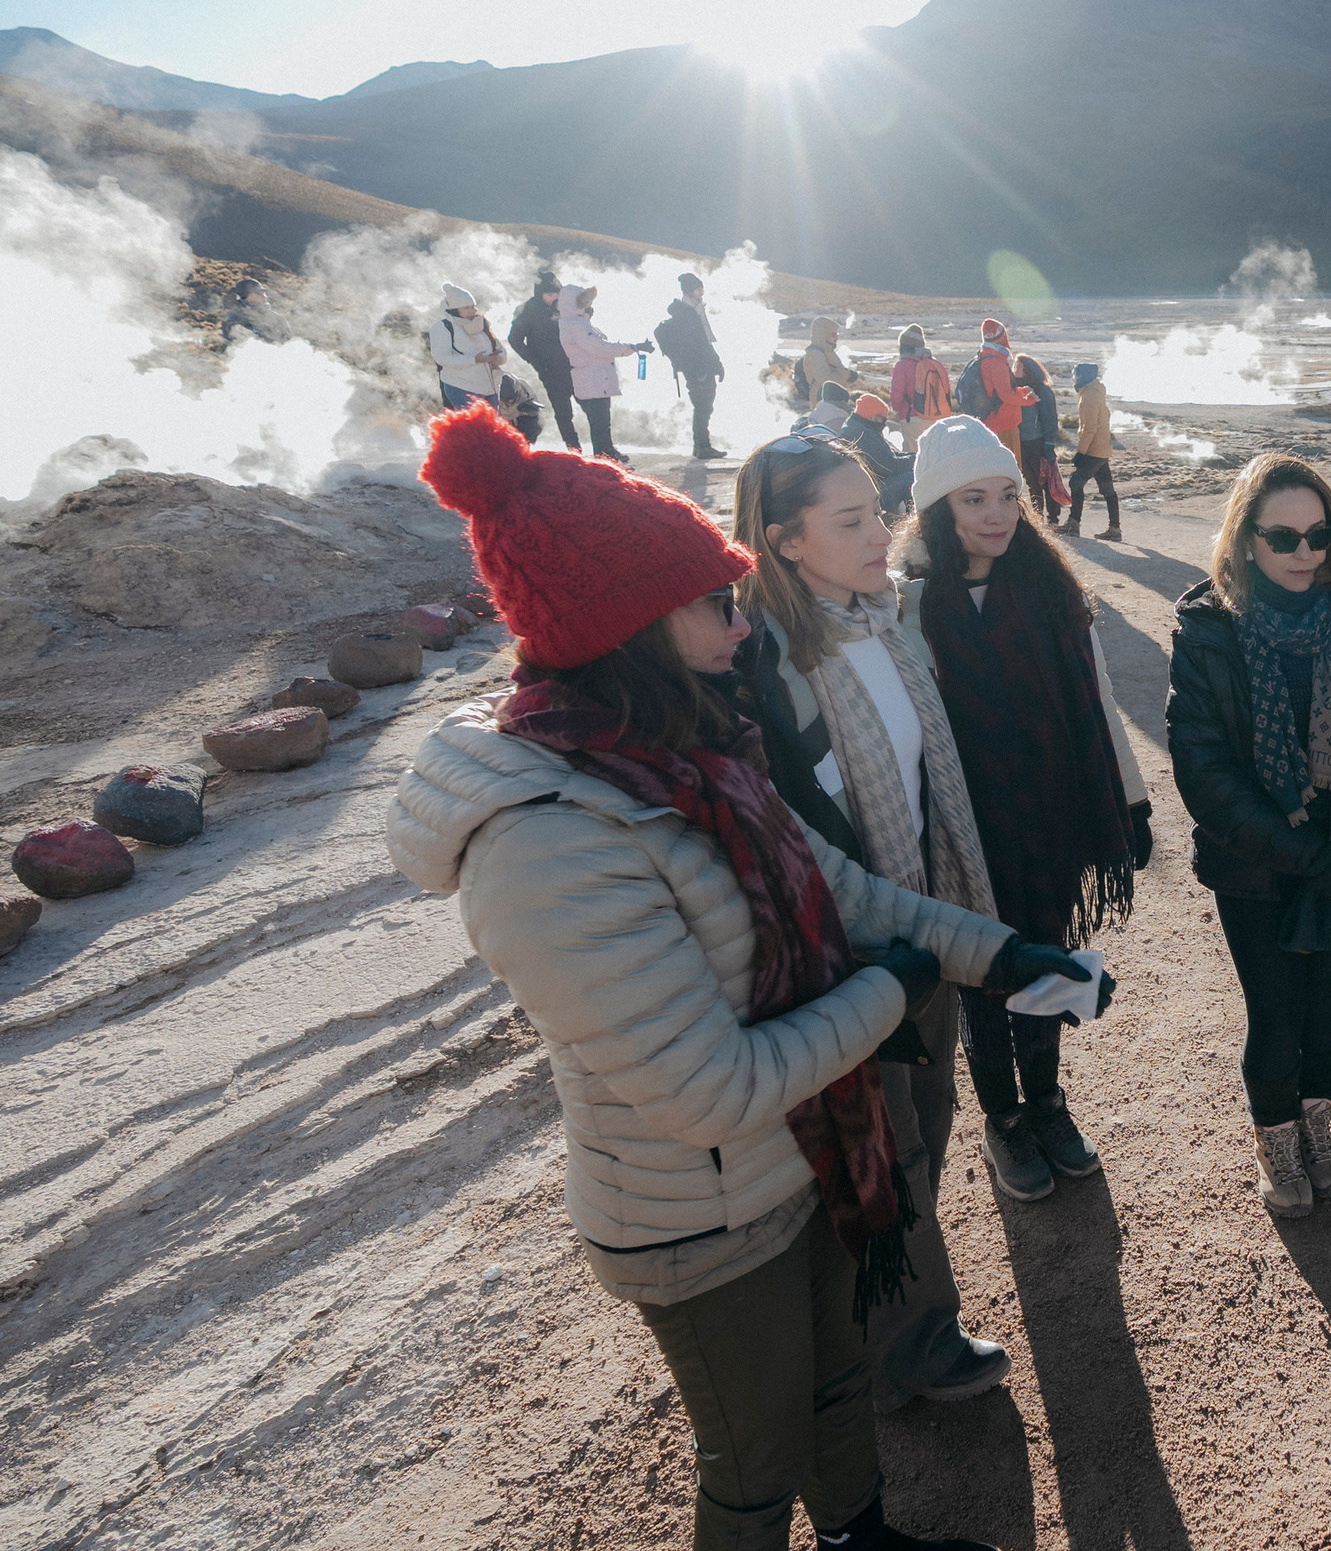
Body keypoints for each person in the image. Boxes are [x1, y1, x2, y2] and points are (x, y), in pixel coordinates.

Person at [388, 402, 1102, 1550]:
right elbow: (708, 1088)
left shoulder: (691, 753)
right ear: (631, 627)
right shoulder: (545, 842)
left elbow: (846, 888)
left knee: (835, 1382)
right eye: (715, 604)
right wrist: (893, 987)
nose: (741, 626)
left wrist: (1002, 950)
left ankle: (864, 1536)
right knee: (754, 1455)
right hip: (696, 1209)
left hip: (802, 1152)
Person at [731, 426, 1015, 1414]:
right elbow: (793, 822)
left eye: (877, 512)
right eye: (850, 520)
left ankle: (872, 1317)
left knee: (926, 1119)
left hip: (925, 907)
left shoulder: (882, 616)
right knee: (887, 1145)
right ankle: (912, 1344)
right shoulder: (762, 657)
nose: (880, 533)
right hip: (848, 944)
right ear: (783, 541)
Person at [1166, 453, 1331, 1219]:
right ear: (1246, 539)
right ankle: (1275, 1138)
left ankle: (1317, 1125)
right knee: (1275, 1012)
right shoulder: (1209, 629)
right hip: (1255, 868)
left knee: (1323, 1009)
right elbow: (1202, 767)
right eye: (1283, 538)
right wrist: (1309, 855)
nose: (1305, 553)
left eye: (1319, 535)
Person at [906, 415, 1153, 1202]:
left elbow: (1097, 698)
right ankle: (1003, 1120)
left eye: (1007, 495)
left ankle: (1047, 1102)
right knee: (982, 979)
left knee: (1044, 961)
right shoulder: (908, 605)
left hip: (1048, 817)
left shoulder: (1047, 587)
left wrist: (1131, 801)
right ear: (937, 510)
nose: (997, 514)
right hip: (964, 831)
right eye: (973, 498)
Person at [557, 283, 649, 465]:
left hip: (595, 379)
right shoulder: (575, 326)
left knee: (602, 423)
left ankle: (607, 457)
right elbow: (600, 348)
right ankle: (604, 461)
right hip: (592, 380)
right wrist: (632, 347)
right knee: (599, 424)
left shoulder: (578, 323)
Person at [509, 272, 585, 451]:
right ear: (540, 294)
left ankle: (603, 447)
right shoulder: (528, 310)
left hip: (575, 365)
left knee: (591, 405)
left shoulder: (565, 307)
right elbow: (515, 339)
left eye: (557, 294)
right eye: (549, 295)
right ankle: (574, 448)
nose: (554, 298)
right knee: (563, 411)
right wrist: (534, 360)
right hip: (549, 369)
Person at [660, 270, 727, 460]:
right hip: (697, 368)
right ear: (689, 291)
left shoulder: (691, 312)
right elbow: (699, 344)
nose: (701, 293)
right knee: (703, 407)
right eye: (698, 289)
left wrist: (716, 364)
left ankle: (700, 445)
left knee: (703, 406)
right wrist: (708, 367)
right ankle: (703, 446)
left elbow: (704, 343)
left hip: (698, 367)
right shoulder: (688, 314)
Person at [822, 388, 914, 515]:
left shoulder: (859, 426)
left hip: (864, 486)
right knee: (910, 478)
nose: (884, 424)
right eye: (883, 419)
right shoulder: (863, 435)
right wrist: (915, 460)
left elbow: (890, 456)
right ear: (872, 417)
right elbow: (889, 466)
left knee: (908, 474)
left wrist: (913, 456)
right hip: (867, 493)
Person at [428, 283, 508, 411]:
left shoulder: (482, 324)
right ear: (454, 309)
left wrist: (498, 358)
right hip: (461, 386)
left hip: (490, 387)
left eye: (472, 307)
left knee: (490, 424)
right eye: (466, 308)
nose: (471, 311)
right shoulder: (443, 327)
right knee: (473, 424)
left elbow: (500, 348)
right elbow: (442, 358)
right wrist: (474, 360)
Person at [1065, 362, 1121, 542]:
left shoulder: (1089, 396)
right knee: (1107, 489)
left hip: (1094, 450)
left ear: (1082, 377)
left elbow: (1089, 428)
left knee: (1075, 482)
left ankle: (1073, 524)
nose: (1073, 378)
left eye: (1075, 375)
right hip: (1103, 449)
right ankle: (1115, 529)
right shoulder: (1097, 392)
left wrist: (1080, 452)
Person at [969, 319, 1036, 466]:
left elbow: (996, 390)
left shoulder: (984, 356)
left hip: (990, 420)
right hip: (1004, 423)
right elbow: (1006, 395)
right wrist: (1028, 400)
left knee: (994, 467)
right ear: (1000, 337)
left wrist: (1021, 390)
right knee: (1010, 467)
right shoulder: (996, 361)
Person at [1013, 354, 1063, 528]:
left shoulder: (1042, 390)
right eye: (1015, 366)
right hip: (1022, 442)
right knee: (1031, 482)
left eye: (1019, 367)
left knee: (1046, 481)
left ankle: (1053, 519)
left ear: (1028, 369)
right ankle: (1037, 518)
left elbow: (1050, 418)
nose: (1015, 370)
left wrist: (1049, 442)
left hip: (1038, 442)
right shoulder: (1015, 390)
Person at [890, 326, 954, 430]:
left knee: (913, 441)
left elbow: (897, 394)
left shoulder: (901, 366)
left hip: (911, 418)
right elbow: (947, 391)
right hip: (937, 419)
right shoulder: (936, 365)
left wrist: (896, 408)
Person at [802, 316, 859, 411]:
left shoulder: (827, 352)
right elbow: (826, 380)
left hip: (832, 402)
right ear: (823, 334)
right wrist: (847, 374)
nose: (836, 338)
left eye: (836, 335)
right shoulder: (814, 354)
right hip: (823, 404)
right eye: (833, 334)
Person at [221, 275, 286, 345]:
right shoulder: (235, 318)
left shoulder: (275, 317)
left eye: (264, 293)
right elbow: (242, 344)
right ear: (247, 297)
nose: (264, 296)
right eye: (258, 294)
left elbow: (287, 339)